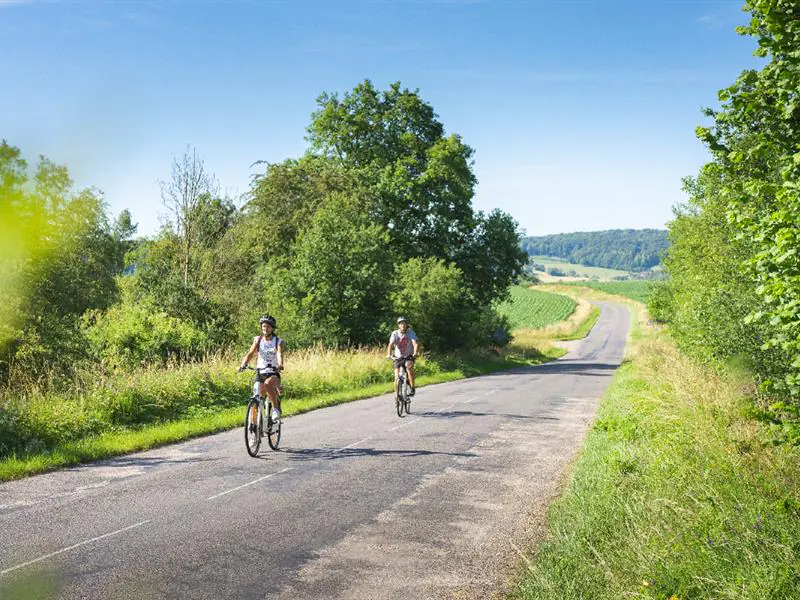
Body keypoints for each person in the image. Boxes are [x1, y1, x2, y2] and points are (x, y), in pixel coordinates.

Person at [239, 315, 285, 422]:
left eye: (268, 327)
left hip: (273, 372)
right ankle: (254, 429)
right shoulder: (258, 340)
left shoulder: (277, 341)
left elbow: (279, 353)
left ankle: (275, 409)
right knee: (256, 397)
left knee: (268, 384)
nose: (265, 329)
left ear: (272, 328)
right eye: (264, 326)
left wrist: (280, 364)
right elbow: (250, 353)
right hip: (260, 372)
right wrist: (243, 364)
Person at [386, 316, 419, 398]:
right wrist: (389, 354)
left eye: (404, 324)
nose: (403, 326)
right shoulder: (395, 333)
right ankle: (397, 395)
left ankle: (412, 388)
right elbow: (391, 344)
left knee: (409, 369)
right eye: (401, 324)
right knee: (397, 377)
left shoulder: (411, 333)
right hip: (398, 357)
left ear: (407, 325)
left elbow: (415, 344)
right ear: (398, 325)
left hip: (408, 356)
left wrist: (415, 353)